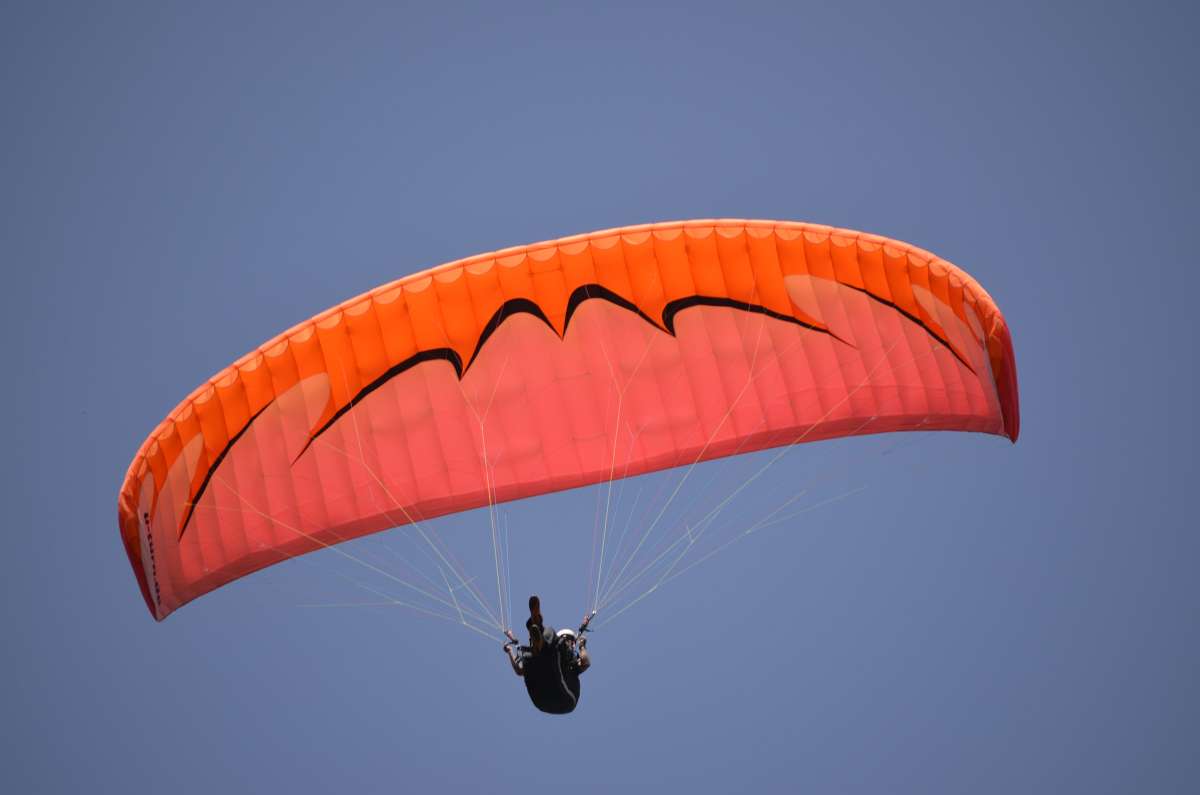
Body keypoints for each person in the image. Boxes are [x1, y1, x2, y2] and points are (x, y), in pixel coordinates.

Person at [503, 596, 593, 714]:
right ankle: (536, 628)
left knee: (550, 637)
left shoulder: (572, 664)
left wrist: (582, 646)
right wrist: (510, 651)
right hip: (542, 698)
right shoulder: (557, 656)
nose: (567, 641)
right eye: (565, 638)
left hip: (565, 699)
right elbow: (520, 670)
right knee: (531, 659)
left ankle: (537, 625)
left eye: (569, 639)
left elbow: (586, 662)